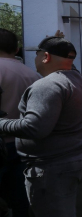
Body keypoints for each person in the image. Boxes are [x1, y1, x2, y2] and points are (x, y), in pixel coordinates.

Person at [0, 35, 82, 217]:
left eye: (37, 54)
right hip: (70, 159)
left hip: (51, 168)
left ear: (45, 57)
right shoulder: (77, 79)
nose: (34, 59)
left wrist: (1, 123)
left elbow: (35, 128)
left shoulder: (47, 85)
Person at [0, 29, 40, 217]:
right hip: (25, 145)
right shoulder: (33, 76)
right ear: (17, 49)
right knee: (21, 199)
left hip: (2, 144)